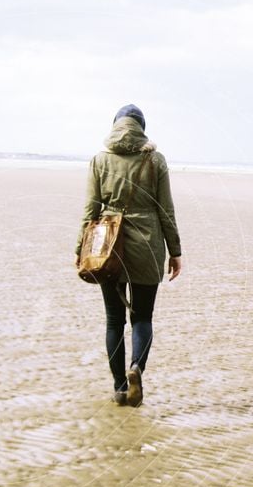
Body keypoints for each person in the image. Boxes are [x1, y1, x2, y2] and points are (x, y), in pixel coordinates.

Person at [75, 104, 182, 407]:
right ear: (142, 128)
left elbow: (90, 210)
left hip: (108, 247)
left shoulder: (99, 160)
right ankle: (137, 368)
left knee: (113, 321)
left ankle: (120, 387)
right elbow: (166, 210)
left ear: (115, 126)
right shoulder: (155, 159)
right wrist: (175, 251)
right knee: (143, 317)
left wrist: (78, 250)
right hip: (148, 245)